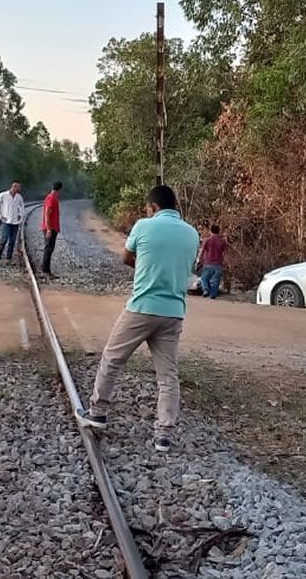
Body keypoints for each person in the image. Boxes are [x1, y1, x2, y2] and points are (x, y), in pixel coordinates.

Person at [76, 185, 199, 453]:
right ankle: (163, 435)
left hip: (142, 307)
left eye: (147, 208)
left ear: (152, 207)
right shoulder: (192, 234)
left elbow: (126, 258)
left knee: (113, 358)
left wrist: (146, 264)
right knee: (168, 375)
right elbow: (186, 266)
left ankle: (97, 412)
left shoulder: (144, 226)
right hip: (173, 312)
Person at [0, 180, 25, 265]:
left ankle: (8, 259)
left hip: (15, 222)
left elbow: (22, 207)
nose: (18, 188)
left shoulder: (19, 197)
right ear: (13, 186)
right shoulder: (3, 195)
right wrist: (0, 215)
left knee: (12, 241)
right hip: (6, 222)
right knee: (3, 240)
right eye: (17, 186)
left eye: (19, 187)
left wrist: (20, 215)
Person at [197, 225, 228, 299]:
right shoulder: (222, 241)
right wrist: (226, 262)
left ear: (210, 231)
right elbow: (225, 253)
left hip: (208, 262)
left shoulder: (207, 240)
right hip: (218, 264)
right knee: (216, 280)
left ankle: (206, 290)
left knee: (204, 278)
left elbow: (202, 251)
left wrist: (199, 260)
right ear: (219, 231)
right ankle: (213, 294)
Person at [40, 181, 62, 277]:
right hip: (50, 228)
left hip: (53, 227)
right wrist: (49, 229)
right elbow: (47, 215)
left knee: (50, 248)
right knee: (48, 249)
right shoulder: (51, 199)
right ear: (60, 190)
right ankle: (45, 270)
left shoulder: (53, 198)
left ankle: (46, 269)